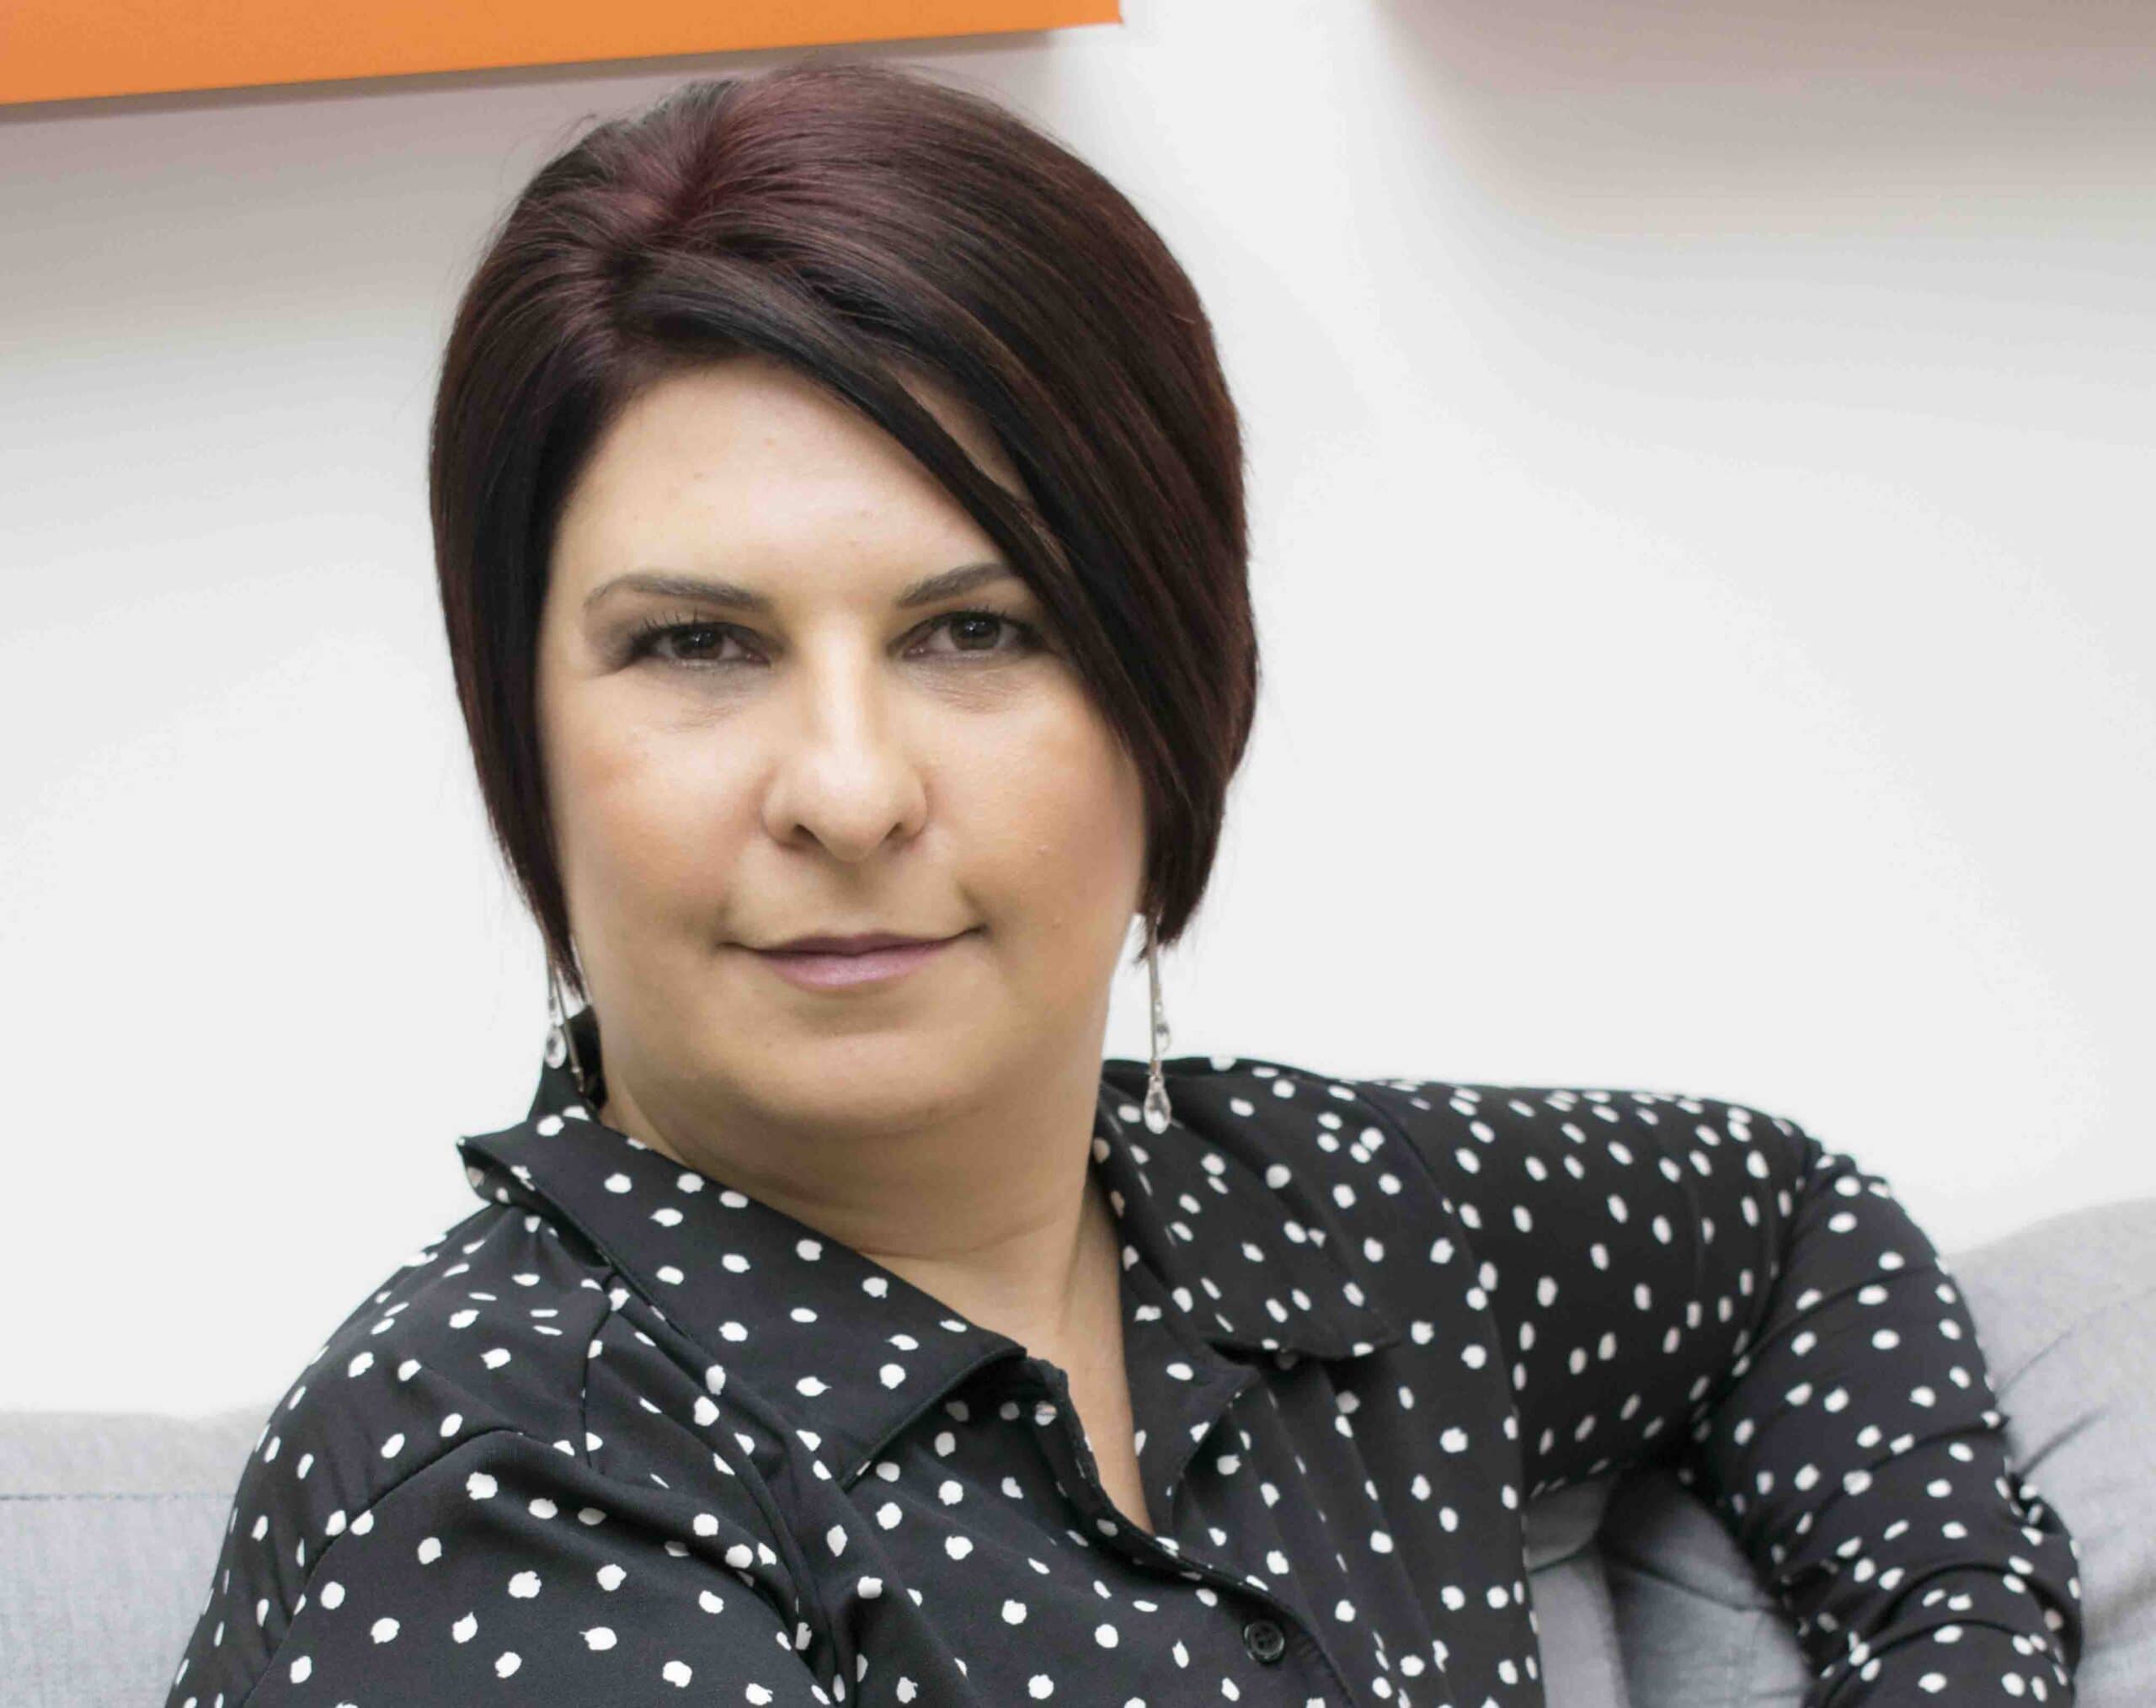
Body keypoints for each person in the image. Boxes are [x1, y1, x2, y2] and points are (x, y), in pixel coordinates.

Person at [163, 58, 2083, 1708]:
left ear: (1171, 696)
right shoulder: (499, 1481)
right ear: (524, 735)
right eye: (697, 646)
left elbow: (1790, 1234)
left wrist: (1954, 1655)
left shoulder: (1334, 1229)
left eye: (975, 630)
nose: (848, 788)